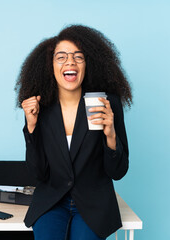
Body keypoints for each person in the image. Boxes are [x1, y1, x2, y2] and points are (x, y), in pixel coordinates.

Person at [15, 25, 132, 240]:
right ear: (50, 66)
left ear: (88, 65)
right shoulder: (39, 108)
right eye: (61, 57)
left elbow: (118, 171)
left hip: (94, 204)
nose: (70, 62)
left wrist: (111, 135)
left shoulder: (107, 104)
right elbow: (38, 173)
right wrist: (31, 127)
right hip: (52, 202)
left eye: (78, 57)